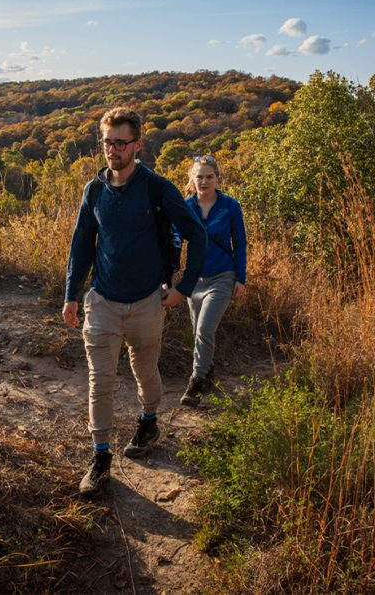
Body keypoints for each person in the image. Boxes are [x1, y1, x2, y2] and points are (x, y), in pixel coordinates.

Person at [63, 107, 207, 498]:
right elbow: (81, 246)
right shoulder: (94, 189)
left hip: (147, 302)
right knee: (100, 380)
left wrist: (183, 288)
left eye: (120, 143)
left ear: (137, 145)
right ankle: (100, 457)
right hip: (103, 301)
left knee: (145, 373)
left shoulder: (158, 188)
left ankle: (148, 420)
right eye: (107, 142)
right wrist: (71, 296)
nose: (112, 149)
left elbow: (198, 234)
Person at [177, 155, 247, 406]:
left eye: (209, 176)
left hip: (222, 277)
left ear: (218, 179)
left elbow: (239, 243)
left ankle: (196, 382)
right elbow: (174, 239)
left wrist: (242, 278)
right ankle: (209, 376)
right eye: (199, 177)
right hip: (194, 280)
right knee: (198, 333)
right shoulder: (185, 207)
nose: (204, 181)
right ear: (192, 179)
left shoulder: (230, 206)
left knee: (205, 329)